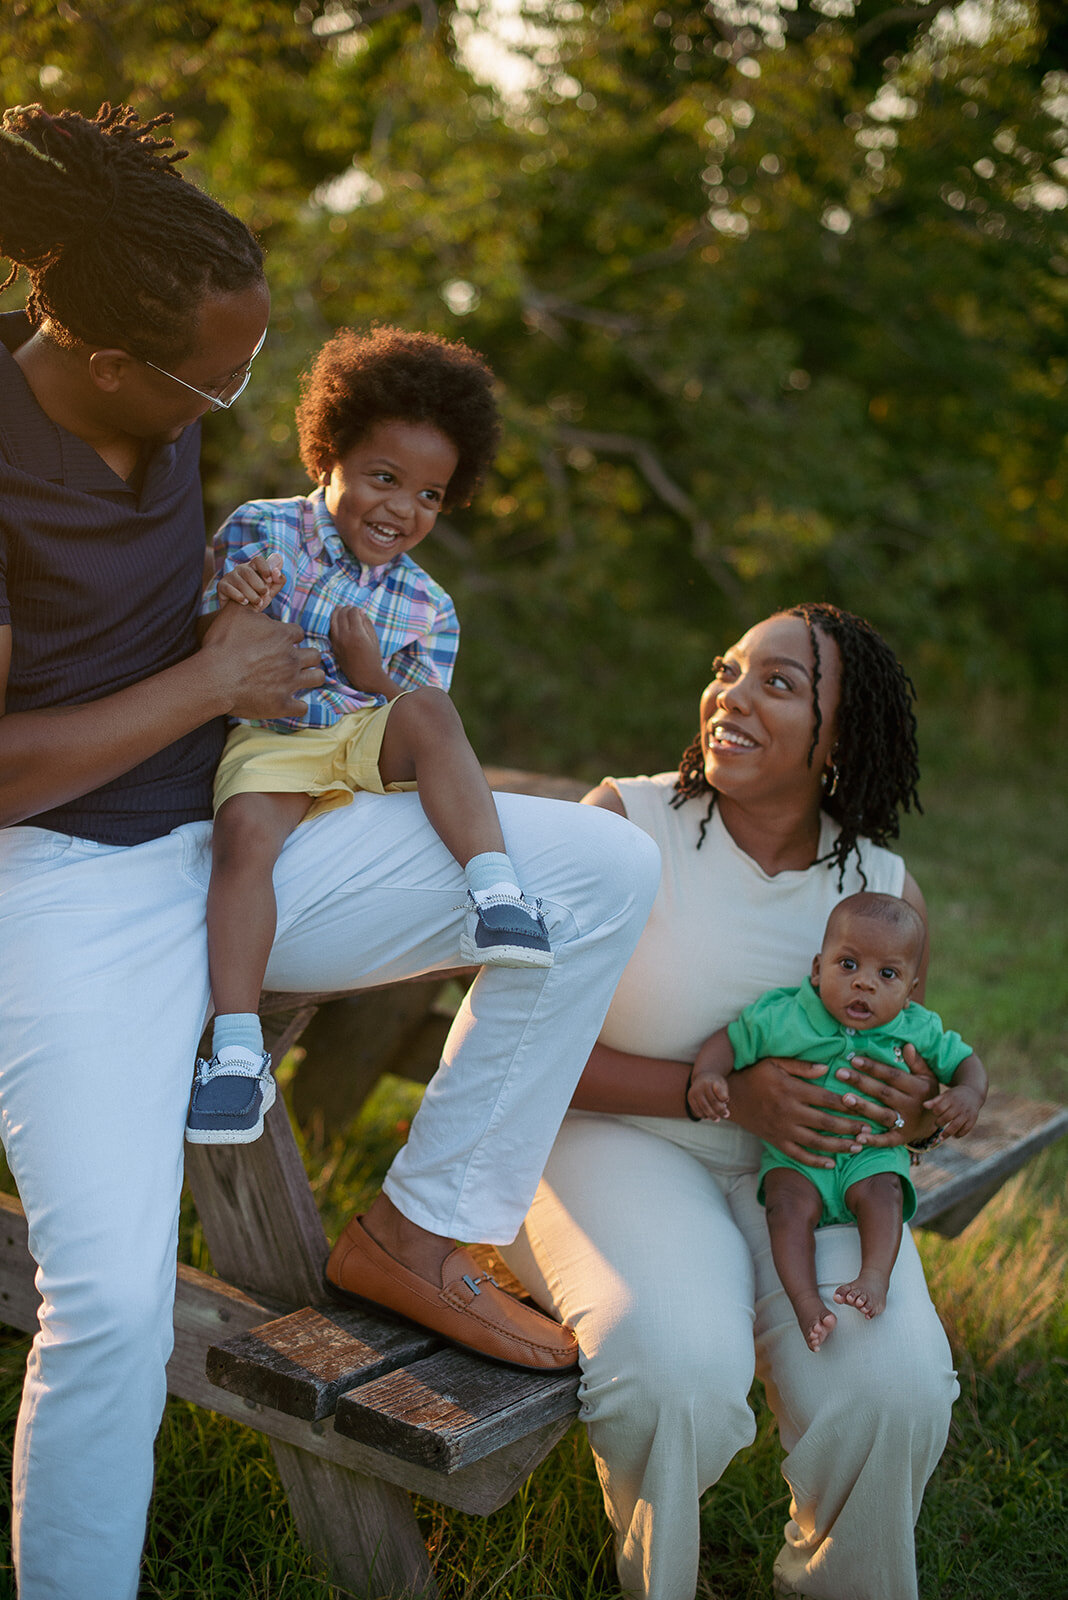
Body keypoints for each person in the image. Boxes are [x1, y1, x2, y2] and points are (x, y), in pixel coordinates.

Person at [0, 102, 660, 1600]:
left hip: (249, 829)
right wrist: (204, 684)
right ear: (104, 361)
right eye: (211, 380)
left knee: (599, 866)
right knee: (103, 1301)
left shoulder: (148, 381)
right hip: (63, 885)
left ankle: (425, 1231)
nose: (234, 406)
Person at [501, 602, 961, 1600]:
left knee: (897, 1383)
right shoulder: (628, 823)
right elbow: (515, 1042)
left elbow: (916, 1082)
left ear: (840, 740)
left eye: (780, 683)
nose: (732, 695)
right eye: (729, 668)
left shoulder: (879, 881)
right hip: (606, 1142)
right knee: (673, 1371)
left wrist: (914, 1105)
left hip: (805, 1174)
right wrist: (727, 1099)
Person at [190, 326, 555, 1147]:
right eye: (384, 478)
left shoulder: (429, 607)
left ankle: (497, 896)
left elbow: (432, 727)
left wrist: (375, 675)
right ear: (330, 455)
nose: (402, 509)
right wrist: (238, 602)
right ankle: (238, 1056)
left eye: (429, 495)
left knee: (427, 711)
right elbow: (207, 657)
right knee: (244, 835)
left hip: (364, 739)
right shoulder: (265, 531)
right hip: (275, 736)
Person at [687, 890, 988, 1350]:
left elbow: (965, 1062)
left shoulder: (916, 1027)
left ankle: (873, 1279)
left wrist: (967, 1092)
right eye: (848, 965)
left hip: (867, 1157)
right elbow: (731, 1038)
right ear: (817, 969)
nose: (864, 983)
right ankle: (807, 1303)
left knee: (885, 1193)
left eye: (886, 974)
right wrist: (709, 1073)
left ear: (910, 990)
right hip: (798, 1157)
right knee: (784, 1209)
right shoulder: (787, 1014)